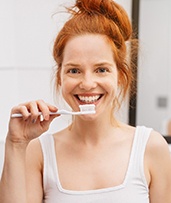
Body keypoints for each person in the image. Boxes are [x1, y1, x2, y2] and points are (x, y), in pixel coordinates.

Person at [0, 0, 171, 202]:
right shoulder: (37, 153)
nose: (87, 83)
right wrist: (16, 144)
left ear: (120, 76)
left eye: (101, 69)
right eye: (74, 70)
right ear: (60, 78)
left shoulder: (152, 148)